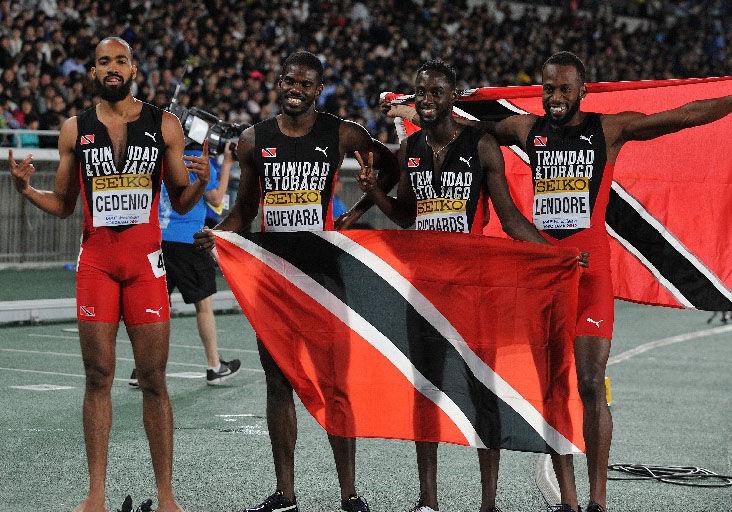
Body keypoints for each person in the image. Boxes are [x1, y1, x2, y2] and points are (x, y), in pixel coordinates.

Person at [387, 51, 732, 512]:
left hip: (591, 271)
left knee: (590, 383)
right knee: (550, 386)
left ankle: (598, 501)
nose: (555, 97)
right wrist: (414, 110)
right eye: (549, 88)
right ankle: (568, 501)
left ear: (582, 91)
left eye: (565, 89)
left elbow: (680, 116)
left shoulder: (607, 130)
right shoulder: (529, 131)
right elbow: (467, 126)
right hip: (545, 273)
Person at [7, 37, 210, 512]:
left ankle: (166, 496)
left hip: (145, 265)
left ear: (133, 68)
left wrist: (202, 182)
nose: (113, 68)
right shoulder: (75, 129)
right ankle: (95, 494)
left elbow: (179, 200)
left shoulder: (166, 124)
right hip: (97, 263)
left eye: (121, 60)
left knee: (155, 378)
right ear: (94, 72)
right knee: (98, 376)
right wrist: (25, 190)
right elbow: (63, 206)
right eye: (104, 62)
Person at [194, 50, 399, 512]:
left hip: (326, 275)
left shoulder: (341, 132)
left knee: (335, 383)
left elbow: (390, 165)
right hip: (274, 276)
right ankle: (286, 493)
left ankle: (349, 494)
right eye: (289, 81)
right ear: (278, 83)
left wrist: (357, 210)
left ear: (318, 89)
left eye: (305, 85)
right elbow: (245, 209)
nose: (295, 90)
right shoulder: (253, 140)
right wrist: (221, 233)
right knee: (277, 381)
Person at [357, 59, 558, 512]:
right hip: (424, 287)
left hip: (471, 287)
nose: (426, 101)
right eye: (420, 93)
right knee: (425, 390)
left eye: (435, 94)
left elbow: (507, 217)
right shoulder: (410, 148)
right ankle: (428, 500)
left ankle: (488, 502)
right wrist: (373, 192)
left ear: (451, 97)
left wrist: (552, 252)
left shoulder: (481, 144)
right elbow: (406, 215)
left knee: (481, 391)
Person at [129, 140, 240, 388]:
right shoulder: (199, 160)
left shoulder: (165, 158)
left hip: (160, 241)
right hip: (190, 241)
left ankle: (142, 368)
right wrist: (227, 164)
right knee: (203, 305)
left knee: (157, 307)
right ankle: (214, 366)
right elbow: (216, 198)